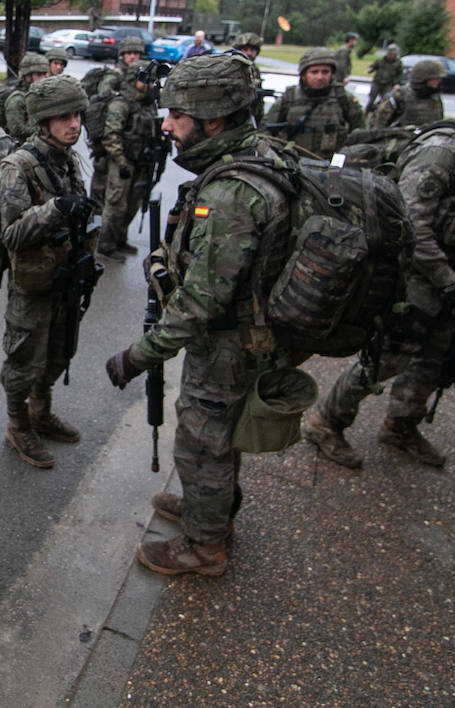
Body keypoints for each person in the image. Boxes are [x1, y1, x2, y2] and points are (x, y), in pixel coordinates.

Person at [306, 50, 455, 469]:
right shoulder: (444, 148)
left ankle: (401, 425)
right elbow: (410, 223)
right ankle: (327, 421)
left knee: (437, 355)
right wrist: (445, 277)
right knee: (389, 357)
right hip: (421, 273)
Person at [103, 54, 294, 577]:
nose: (166, 126)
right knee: (217, 431)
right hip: (245, 333)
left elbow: (202, 302)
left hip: (230, 342)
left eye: (177, 116)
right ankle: (209, 509)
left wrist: (137, 356)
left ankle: (205, 544)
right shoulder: (256, 155)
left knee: (204, 436)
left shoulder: (231, 193)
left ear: (213, 120)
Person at [0, 76, 96, 469]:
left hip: (67, 277)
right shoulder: (17, 166)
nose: (74, 124)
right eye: (63, 117)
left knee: (60, 352)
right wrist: (55, 209)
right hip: (34, 283)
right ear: (42, 122)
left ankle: (41, 412)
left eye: (77, 115)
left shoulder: (68, 157)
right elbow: (12, 234)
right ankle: (17, 426)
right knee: (23, 361)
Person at [92, 63, 159, 261]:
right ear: (133, 80)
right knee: (116, 204)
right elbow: (110, 135)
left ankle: (120, 239)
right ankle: (104, 245)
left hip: (140, 161)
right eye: (147, 80)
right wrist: (121, 161)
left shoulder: (147, 103)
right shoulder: (121, 103)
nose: (150, 84)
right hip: (121, 161)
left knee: (133, 204)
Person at [263, 47, 365, 158]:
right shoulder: (288, 98)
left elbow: (360, 133)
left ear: (332, 74)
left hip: (330, 165)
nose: (320, 77)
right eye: (314, 72)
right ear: (303, 75)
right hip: (293, 163)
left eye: (325, 72)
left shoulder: (343, 98)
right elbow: (265, 131)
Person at [367, 58, 445, 129]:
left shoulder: (435, 97)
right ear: (422, 79)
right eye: (434, 79)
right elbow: (377, 127)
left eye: (439, 79)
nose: (437, 82)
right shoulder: (398, 96)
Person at [3, 52, 52, 142]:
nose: (43, 78)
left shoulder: (39, 95)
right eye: (39, 74)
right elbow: (16, 130)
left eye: (45, 74)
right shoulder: (17, 100)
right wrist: (47, 129)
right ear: (28, 76)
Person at [226, 32, 265, 123]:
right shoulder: (228, 68)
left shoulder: (255, 70)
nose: (249, 53)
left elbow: (259, 101)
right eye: (245, 49)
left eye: (252, 50)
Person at [367, 43, 404, 113]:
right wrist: (370, 69)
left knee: (385, 101)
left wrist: (397, 83)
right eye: (390, 54)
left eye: (393, 54)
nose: (391, 56)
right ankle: (366, 114)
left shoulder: (398, 63)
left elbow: (399, 74)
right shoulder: (381, 60)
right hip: (377, 82)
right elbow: (373, 66)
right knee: (371, 100)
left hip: (388, 84)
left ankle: (378, 114)